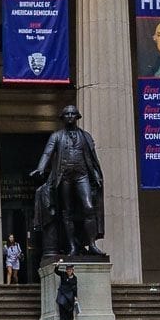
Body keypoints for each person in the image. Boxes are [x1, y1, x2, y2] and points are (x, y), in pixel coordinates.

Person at [31, 105, 106, 256]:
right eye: (67, 114)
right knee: (67, 211)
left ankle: (91, 244)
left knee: (89, 207)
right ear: (63, 118)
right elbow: (47, 153)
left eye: (72, 114)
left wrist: (96, 175)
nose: (70, 116)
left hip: (82, 175)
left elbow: (92, 158)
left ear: (77, 117)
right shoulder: (57, 136)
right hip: (64, 177)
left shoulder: (85, 136)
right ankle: (72, 246)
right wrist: (40, 168)